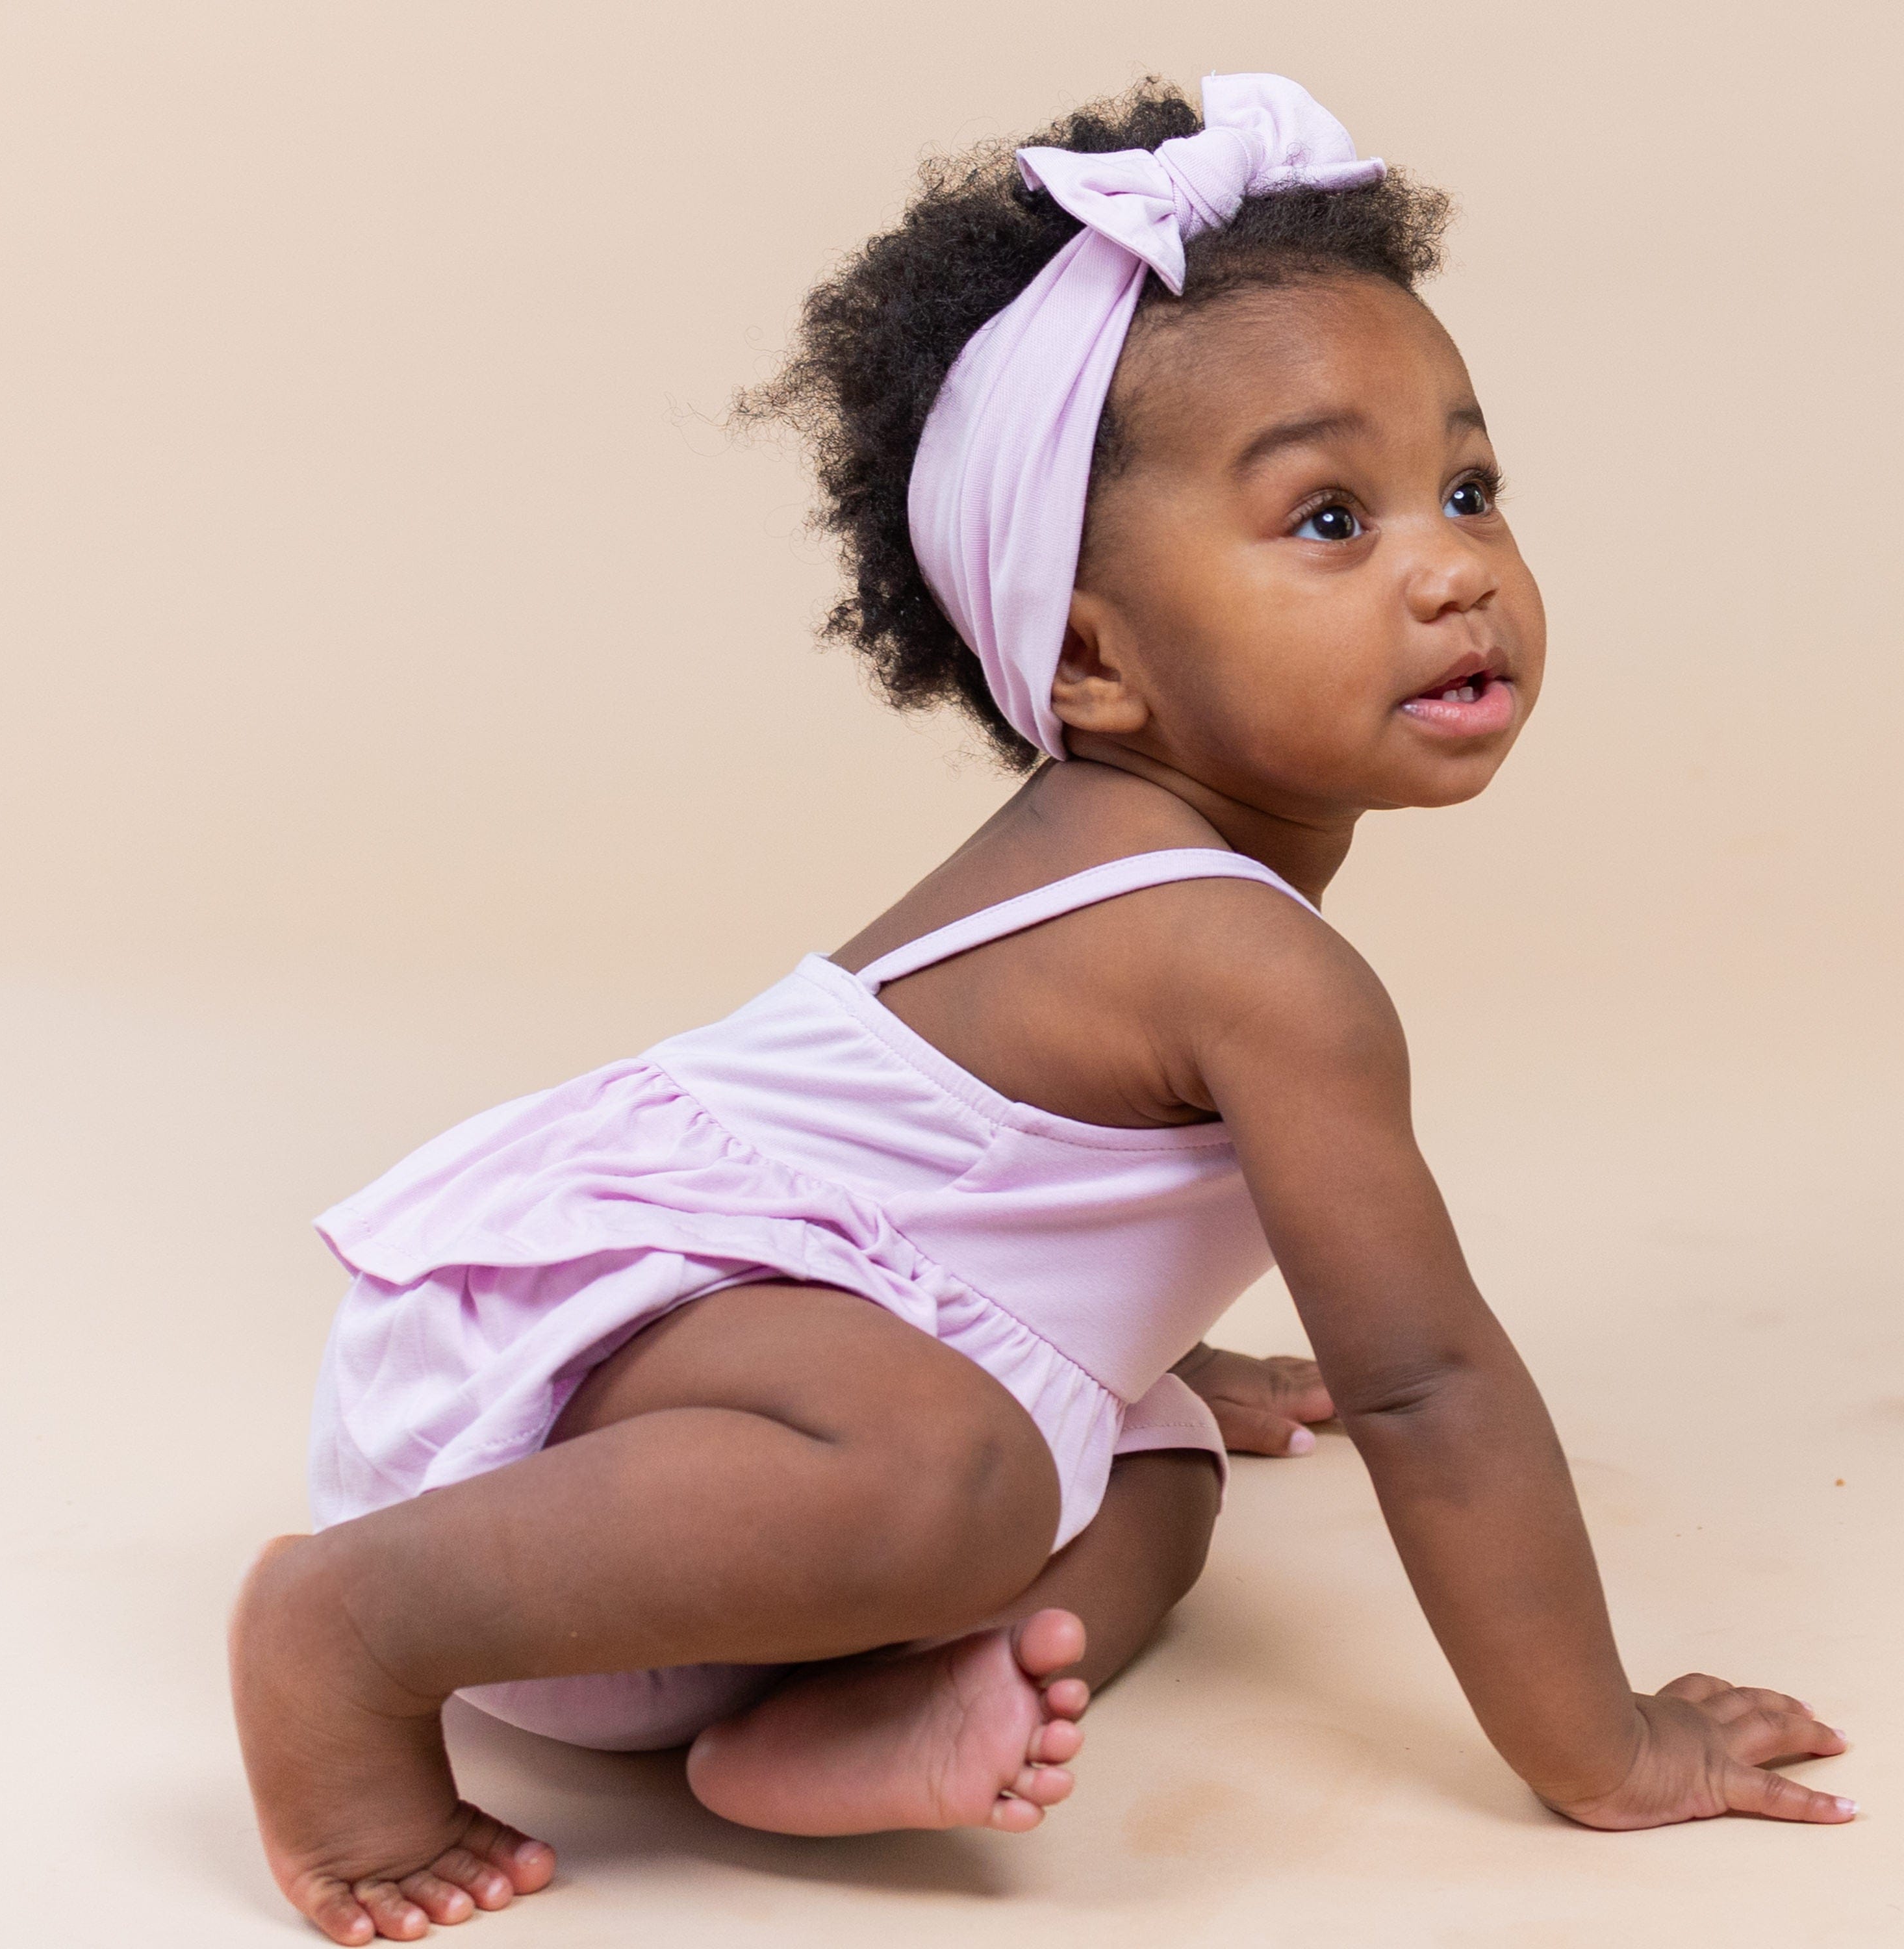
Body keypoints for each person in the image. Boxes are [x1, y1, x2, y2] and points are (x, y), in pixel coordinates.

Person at [230, 71, 1853, 1948]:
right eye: (1331, 518)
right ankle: (339, 1635)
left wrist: (1154, 1341)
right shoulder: (1256, 967)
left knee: (1141, 1462)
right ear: (1092, 656)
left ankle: (838, 1725)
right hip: (546, 1459)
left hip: (751, 1507)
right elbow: (1428, 1384)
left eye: (1471, 489)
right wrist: (1610, 1746)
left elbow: (1021, 1192)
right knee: (975, 1467)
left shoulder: (1172, 887)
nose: (1453, 562)